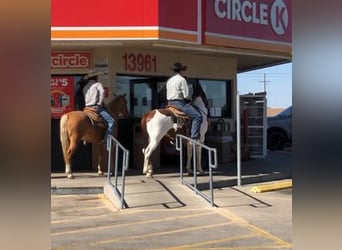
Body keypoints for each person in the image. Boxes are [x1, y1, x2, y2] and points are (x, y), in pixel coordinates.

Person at [166, 62, 202, 140]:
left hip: (169, 103)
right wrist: (190, 99)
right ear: (181, 71)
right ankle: (194, 137)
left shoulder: (169, 80)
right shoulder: (182, 80)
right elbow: (186, 95)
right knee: (197, 116)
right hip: (179, 104)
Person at [82, 70, 115, 144]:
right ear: (96, 77)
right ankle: (107, 140)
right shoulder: (98, 84)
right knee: (111, 121)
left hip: (87, 108)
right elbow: (102, 93)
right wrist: (100, 103)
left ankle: (85, 138)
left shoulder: (86, 86)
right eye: (98, 76)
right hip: (96, 107)